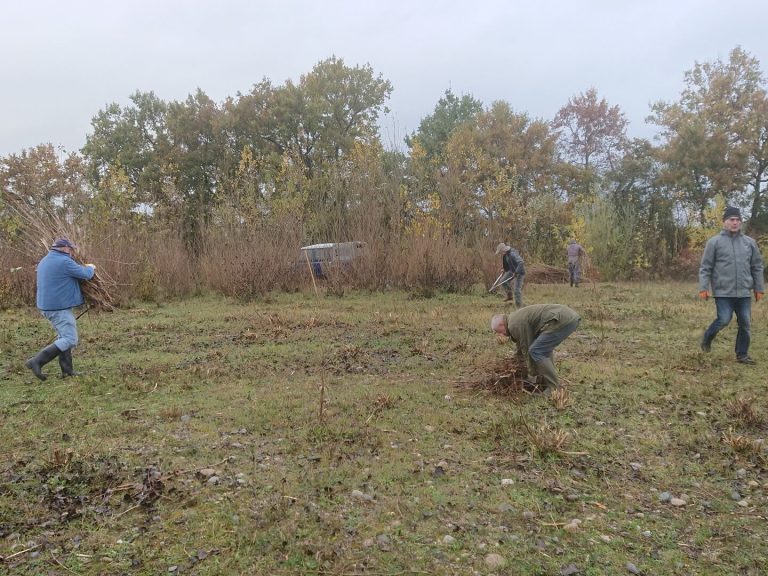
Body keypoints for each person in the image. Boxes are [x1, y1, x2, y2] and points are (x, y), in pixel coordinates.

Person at [698, 206, 764, 364]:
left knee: (745, 324)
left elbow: (757, 266)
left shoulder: (749, 243)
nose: (735, 223)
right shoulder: (714, 242)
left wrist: (759, 288)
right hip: (723, 292)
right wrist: (703, 287)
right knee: (724, 320)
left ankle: (742, 355)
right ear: (724, 222)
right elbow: (705, 267)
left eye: (737, 220)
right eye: (731, 220)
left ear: (741, 222)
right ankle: (707, 338)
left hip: (743, 293)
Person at [25, 238, 96, 380]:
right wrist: (91, 267)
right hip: (57, 308)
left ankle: (67, 371)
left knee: (63, 336)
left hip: (47, 306)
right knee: (70, 339)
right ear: (64, 248)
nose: (71, 252)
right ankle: (36, 361)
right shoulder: (64, 261)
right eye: (70, 249)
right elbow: (86, 275)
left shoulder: (45, 260)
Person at [491, 304, 580, 393]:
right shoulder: (514, 320)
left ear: (501, 324)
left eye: (498, 331)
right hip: (567, 317)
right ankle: (546, 381)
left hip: (560, 320)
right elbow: (521, 345)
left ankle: (553, 388)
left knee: (537, 351)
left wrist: (532, 375)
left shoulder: (514, 325)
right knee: (542, 349)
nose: (500, 335)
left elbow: (526, 348)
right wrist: (515, 361)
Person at [494, 242, 526, 307]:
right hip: (512, 271)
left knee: (516, 291)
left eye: (500, 252)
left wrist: (516, 272)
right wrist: (504, 269)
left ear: (503, 250)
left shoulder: (512, 254)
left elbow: (521, 263)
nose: (500, 253)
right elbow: (507, 263)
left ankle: (519, 308)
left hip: (519, 272)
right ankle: (509, 295)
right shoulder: (505, 254)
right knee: (503, 281)